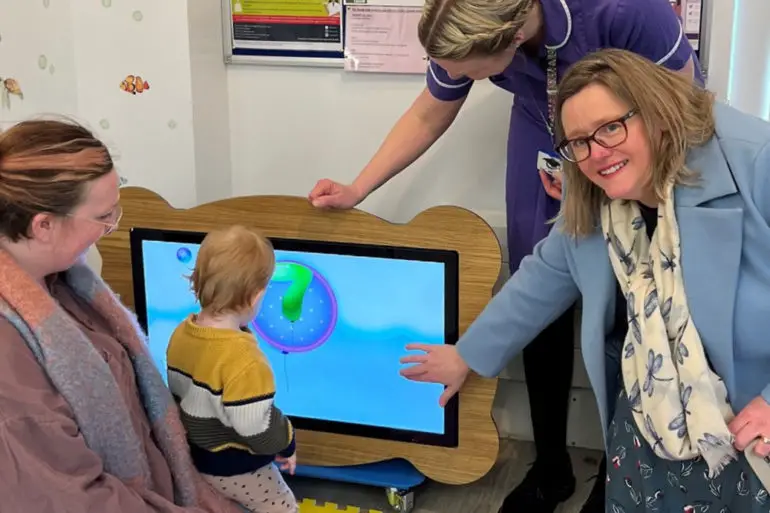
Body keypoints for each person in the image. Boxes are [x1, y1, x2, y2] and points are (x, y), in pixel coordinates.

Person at [308, 1, 700, 511]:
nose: (450, 77)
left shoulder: (624, 10)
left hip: (636, 144)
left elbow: (683, 110)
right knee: (538, 292)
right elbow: (431, 108)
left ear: (510, 40)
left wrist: (601, 171)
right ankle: (551, 466)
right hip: (544, 131)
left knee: (635, 306)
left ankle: (618, 468)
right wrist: (357, 188)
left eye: (463, 70)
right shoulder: (470, 15)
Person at [399, 47, 770, 511]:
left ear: (655, 113)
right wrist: (467, 355)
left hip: (750, 415)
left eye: (612, 127)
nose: (597, 153)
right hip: (651, 406)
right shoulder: (593, 184)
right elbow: (546, 275)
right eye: (578, 142)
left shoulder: (755, 158)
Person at [0, 118, 243, 512]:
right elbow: (72, 497)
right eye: (103, 217)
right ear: (43, 225)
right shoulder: (9, 355)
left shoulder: (65, 283)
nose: (111, 227)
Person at [166, 225, 299, 513]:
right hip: (232, 464)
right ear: (255, 297)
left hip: (194, 454)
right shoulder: (245, 360)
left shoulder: (182, 332)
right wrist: (286, 442)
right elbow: (254, 425)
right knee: (283, 505)